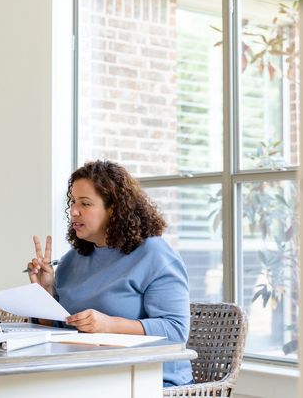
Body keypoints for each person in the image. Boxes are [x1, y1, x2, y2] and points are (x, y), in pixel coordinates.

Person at [27, 159, 193, 387]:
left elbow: (176, 331)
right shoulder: (71, 260)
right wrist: (44, 292)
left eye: (85, 204)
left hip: (149, 380)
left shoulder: (154, 254)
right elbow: (57, 334)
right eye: (73, 202)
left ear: (114, 209)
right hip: (84, 375)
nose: (74, 211)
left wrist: (110, 325)